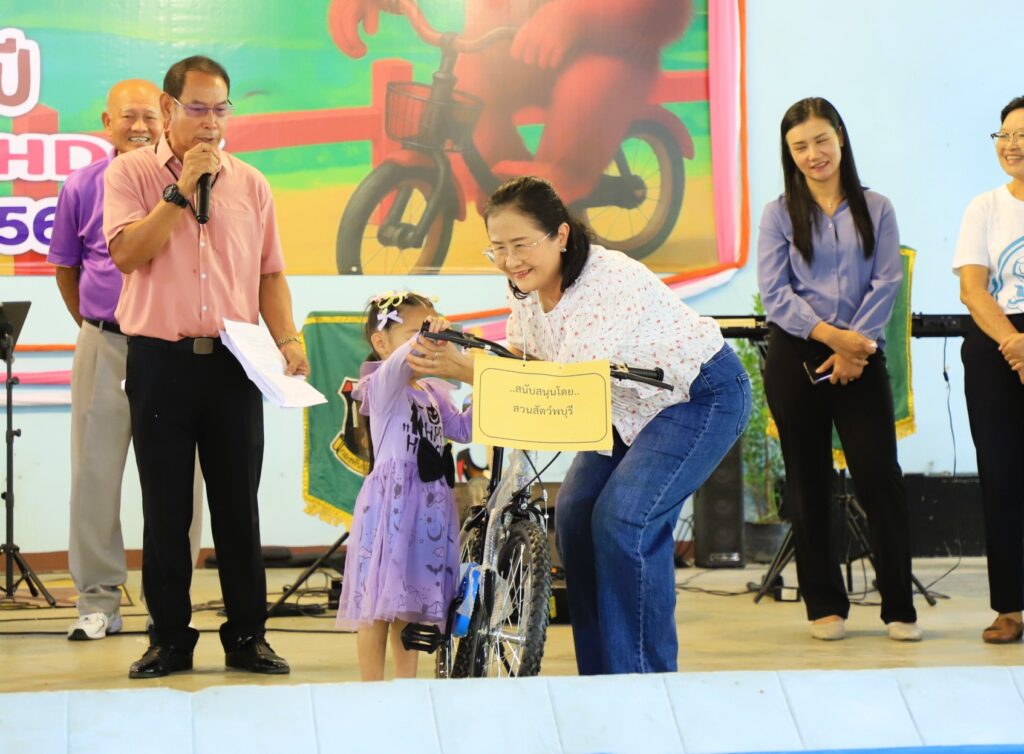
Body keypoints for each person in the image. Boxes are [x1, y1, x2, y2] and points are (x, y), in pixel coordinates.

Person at [412, 176, 751, 675]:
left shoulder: (603, 283)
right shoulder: (526, 287)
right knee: (573, 516)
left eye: (521, 245)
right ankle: (599, 678)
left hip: (696, 396)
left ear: (561, 235)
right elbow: (525, 356)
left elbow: (565, 386)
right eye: (498, 248)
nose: (510, 260)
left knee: (624, 519)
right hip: (621, 403)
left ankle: (644, 682)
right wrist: (463, 350)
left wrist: (466, 370)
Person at [103, 56, 308, 679]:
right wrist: (180, 190)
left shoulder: (251, 184)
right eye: (198, 108)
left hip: (235, 364)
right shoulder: (130, 173)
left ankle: (247, 636)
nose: (212, 122)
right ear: (169, 109)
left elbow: (270, 274)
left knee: (238, 507)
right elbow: (128, 254)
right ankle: (168, 638)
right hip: (158, 362)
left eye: (221, 109)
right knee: (166, 509)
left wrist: (288, 338)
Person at [757, 97, 921, 642]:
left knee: (879, 478)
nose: (813, 154)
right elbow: (776, 295)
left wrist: (857, 349)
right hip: (798, 355)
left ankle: (899, 607)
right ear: (789, 153)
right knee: (808, 483)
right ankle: (824, 605)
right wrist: (835, 339)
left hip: (862, 356)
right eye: (799, 146)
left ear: (841, 138)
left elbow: (887, 281)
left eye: (821, 140)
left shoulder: (878, 207)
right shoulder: (778, 214)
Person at [47, 79, 205, 642]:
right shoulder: (81, 185)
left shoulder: (192, 182)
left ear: (166, 119)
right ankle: (98, 601)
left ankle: (171, 603)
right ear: (106, 122)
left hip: (172, 350)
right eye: (127, 117)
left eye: (149, 117)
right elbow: (66, 268)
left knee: (181, 482)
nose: (139, 127)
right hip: (107, 344)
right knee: (94, 476)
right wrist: (98, 326)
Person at [335, 292, 472, 681]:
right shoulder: (381, 385)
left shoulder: (432, 392)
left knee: (409, 602)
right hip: (391, 507)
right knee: (376, 604)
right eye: (417, 332)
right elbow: (399, 364)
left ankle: (406, 687)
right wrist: (427, 336)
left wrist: (486, 382)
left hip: (429, 506)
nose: (431, 341)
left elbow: (463, 429)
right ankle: (372, 688)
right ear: (381, 342)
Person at [953, 95, 1024, 644]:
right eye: (1004, 134)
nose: (1011, 144)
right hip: (996, 345)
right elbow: (973, 290)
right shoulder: (985, 206)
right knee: (1002, 478)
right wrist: (1014, 344)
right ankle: (1010, 607)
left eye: (1022, 135)